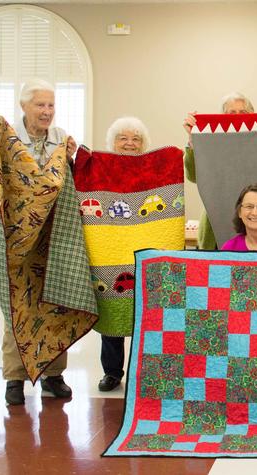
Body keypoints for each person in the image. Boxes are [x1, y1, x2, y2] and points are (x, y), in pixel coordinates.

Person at [0, 79, 77, 405]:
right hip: (17, 236)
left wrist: (72, 159)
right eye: (40, 105)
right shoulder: (9, 140)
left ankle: (53, 375)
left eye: (51, 105)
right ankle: (14, 379)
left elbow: (69, 182)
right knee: (19, 306)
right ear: (24, 107)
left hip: (53, 236)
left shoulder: (60, 138)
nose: (47, 112)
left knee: (54, 304)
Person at [182, 92, 257, 250]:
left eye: (243, 113)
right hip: (214, 231)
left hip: (256, 228)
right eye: (231, 113)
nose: (237, 117)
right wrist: (194, 140)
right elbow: (194, 177)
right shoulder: (213, 143)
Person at [96, 116, 151, 393]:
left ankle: (143, 372)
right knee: (111, 306)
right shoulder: (101, 169)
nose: (130, 143)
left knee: (146, 311)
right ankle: (112, 372)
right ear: (112, 142)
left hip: (142, 246)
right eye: (123, 138)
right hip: (110, 247)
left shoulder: (152, 171)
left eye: (136, 139)